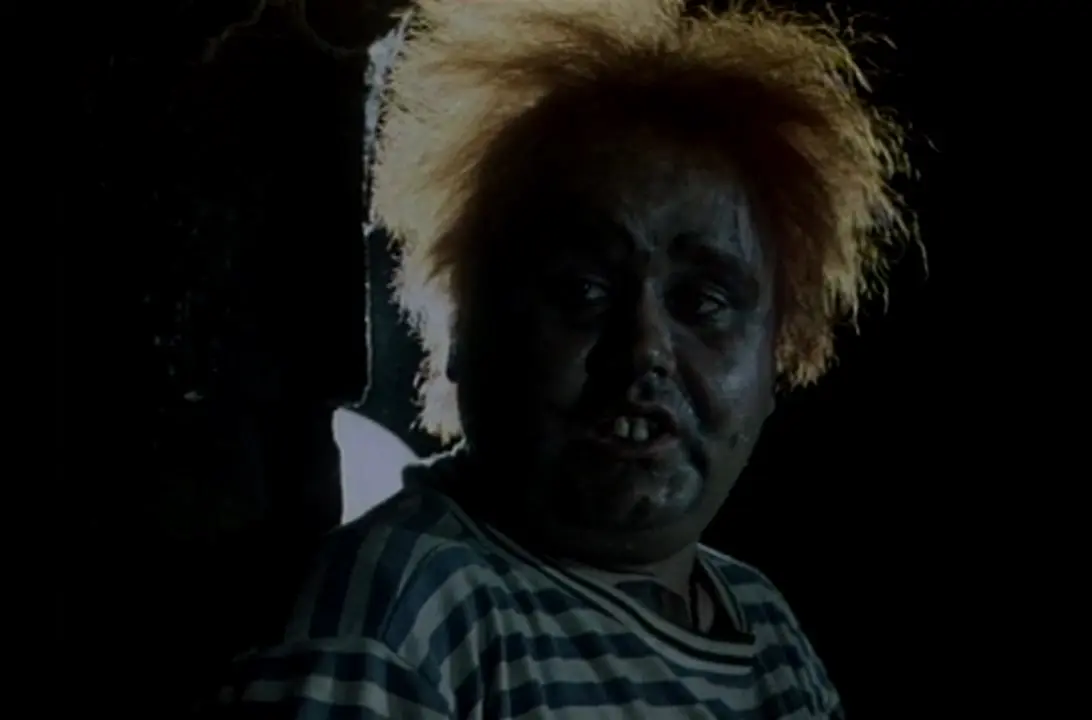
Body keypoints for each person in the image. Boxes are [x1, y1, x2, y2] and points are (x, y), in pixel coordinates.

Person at [218, 0, 913, 716]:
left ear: (780, 356)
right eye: (583, 289)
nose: (644, 347)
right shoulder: (411, 603)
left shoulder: (764, 627)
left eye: (702, 302)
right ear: (463, 323)